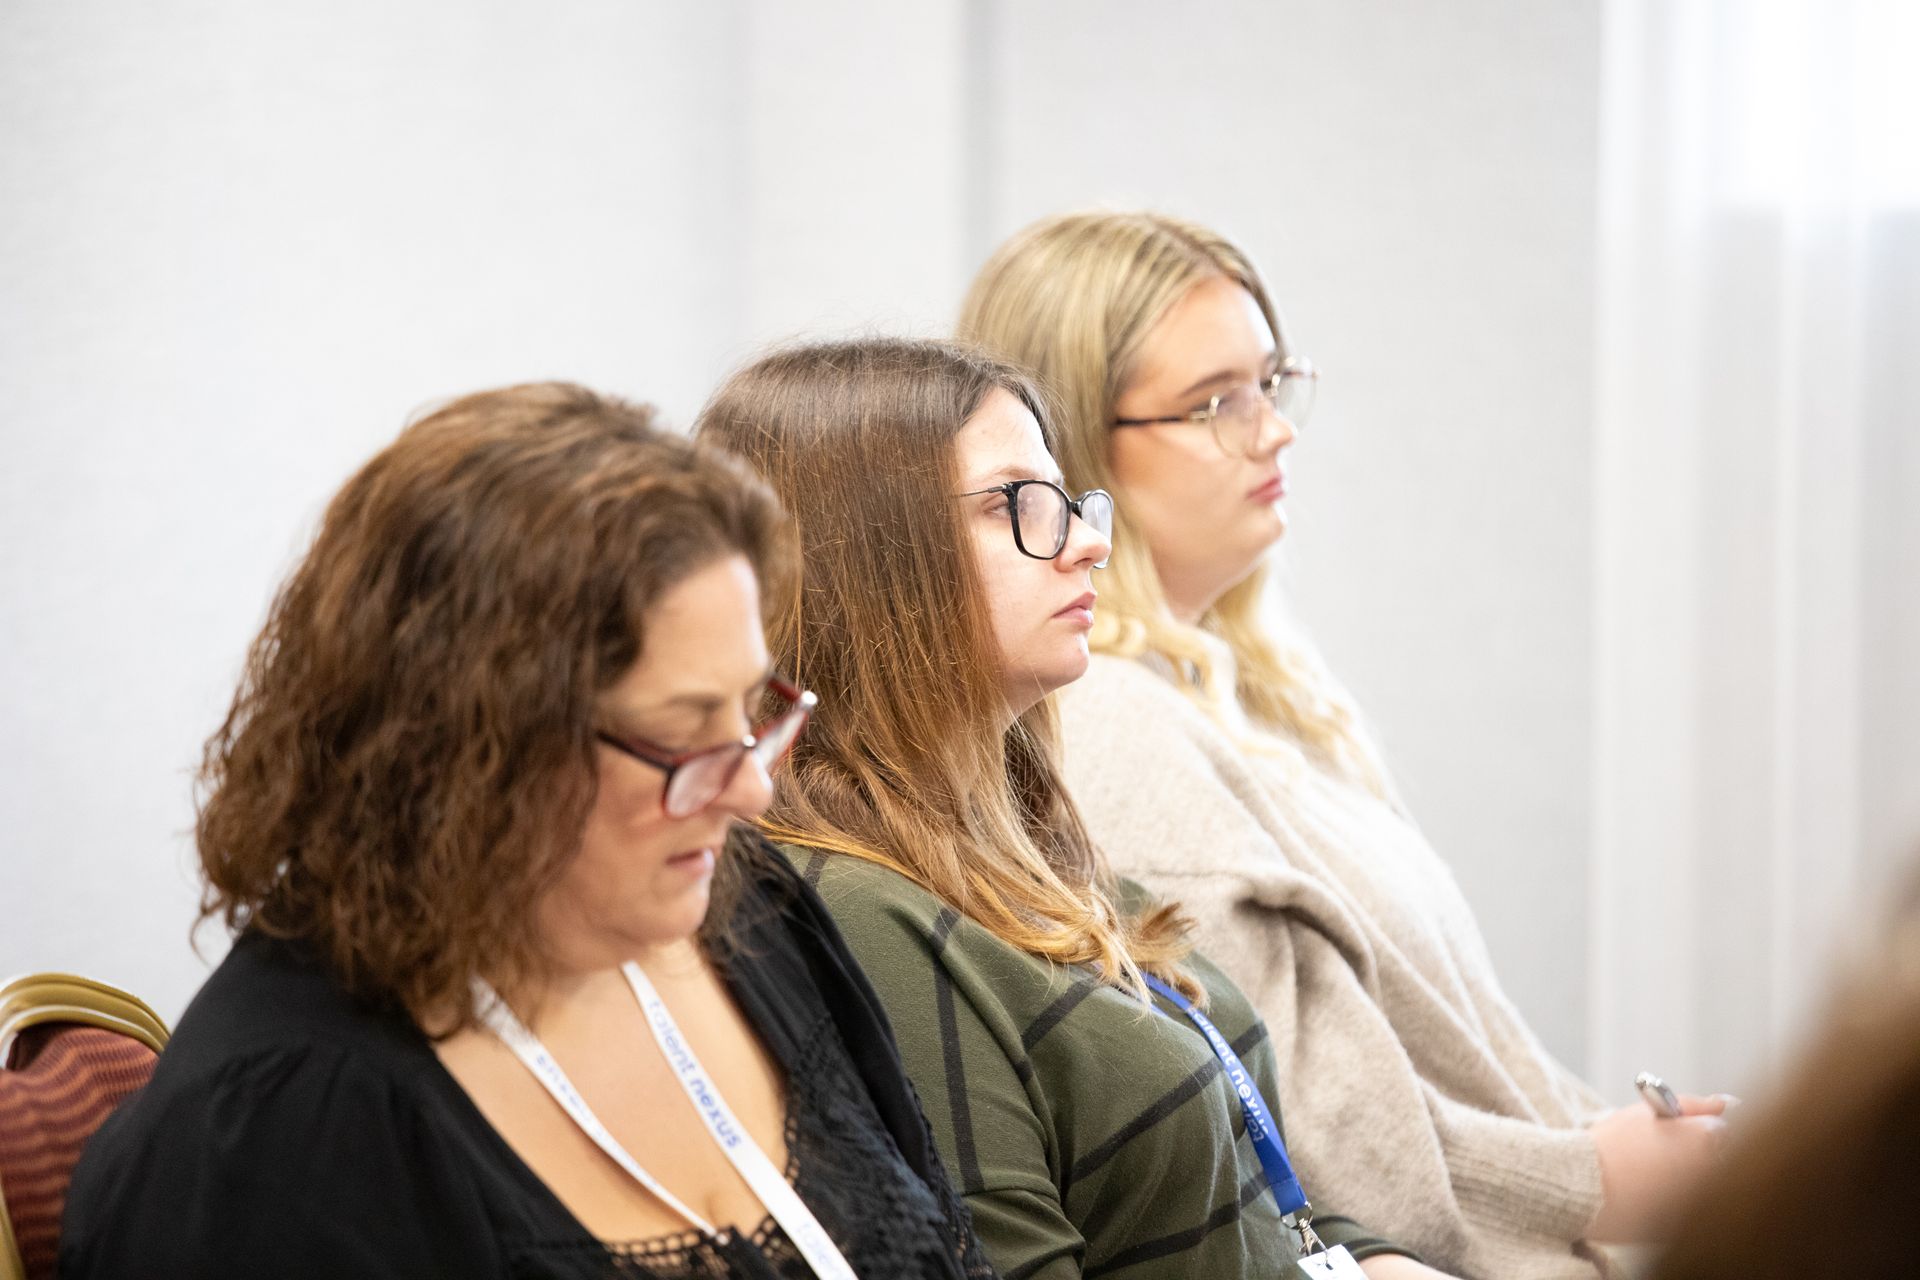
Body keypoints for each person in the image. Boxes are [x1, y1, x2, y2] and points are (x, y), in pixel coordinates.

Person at [61, 383, 995, 1279]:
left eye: (754, 710)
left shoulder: (748, 913)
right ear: (472, 749)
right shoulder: (279, 1143)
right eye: (679, 736)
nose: (752, 791)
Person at [956, 210, 1730, 1278]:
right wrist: (1594, 1174)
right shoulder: (1111, 725)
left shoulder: (1255, 686)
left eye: (1272, 383)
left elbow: (1453, 1055)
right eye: (1217, 401)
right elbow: (1309, 1129)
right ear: (1080, 446)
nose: (1272, 429)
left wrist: (1609, 1151)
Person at [696, 337, 1453, 1280]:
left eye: (1069, 502)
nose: (1091, 541)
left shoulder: (1030, 846)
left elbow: (1254, 1200)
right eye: (1023, 505)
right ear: (869, 553)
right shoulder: (851, 911)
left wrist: (1378, 1262)